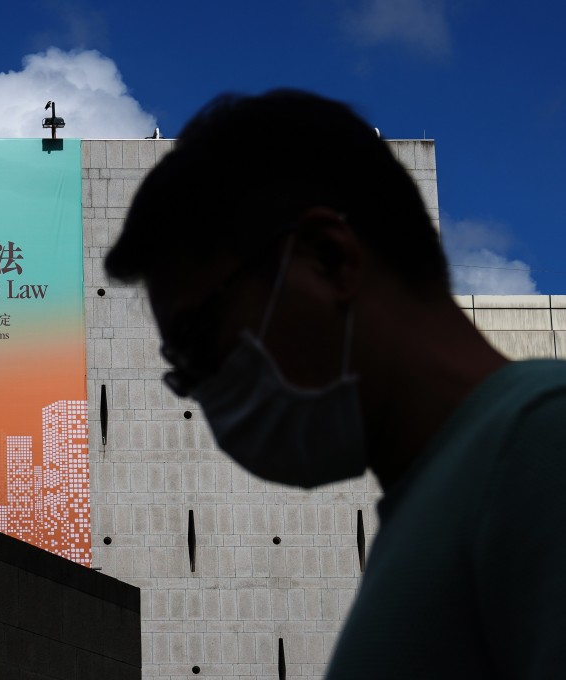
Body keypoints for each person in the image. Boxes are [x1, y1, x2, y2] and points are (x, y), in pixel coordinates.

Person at [104, 89, 566, 678]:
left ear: (330, 259)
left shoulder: (542, 450)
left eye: (199, 341)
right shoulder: (447, 504)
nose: (198, 389)